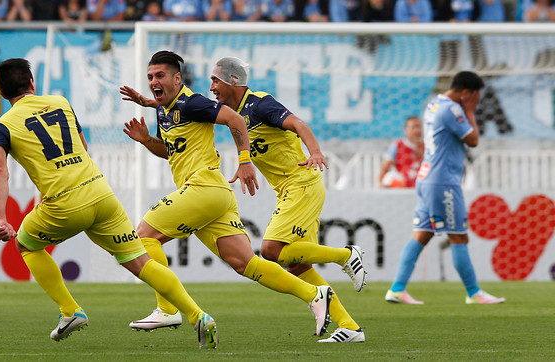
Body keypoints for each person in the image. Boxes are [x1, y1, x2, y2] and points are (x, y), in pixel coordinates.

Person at [0, 58, 219, 349]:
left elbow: (0, 171)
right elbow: (82, 147)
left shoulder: (1, 126)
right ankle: (198, 315)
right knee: (139, 262)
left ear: (1, 93)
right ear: (32, 83)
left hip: (63, 204)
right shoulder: (60, 102)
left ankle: (70, 311)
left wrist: (0, 218)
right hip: (101, 194)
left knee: (26, 244)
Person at [119, 50, 334, 339]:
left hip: (203, 188)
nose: (153, 81)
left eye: (160, 75)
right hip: (213, 197)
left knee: (144, 237)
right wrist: (146, 140)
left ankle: (168, 309)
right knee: (245, 264)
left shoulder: (192, 102)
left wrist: (245, 160)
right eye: (150, 77)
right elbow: (170, 152)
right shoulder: (163, 109)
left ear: (177, 78)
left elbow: (237, 120)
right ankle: (314, 295)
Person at [207, 57, 366, 343]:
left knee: (269, 250)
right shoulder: (233, 115)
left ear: (232, 81)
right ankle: (350, 327)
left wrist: (315, 151)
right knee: (298, 266)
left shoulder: (260, 103)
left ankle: (346, 256)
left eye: (215, 80)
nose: (211, 87)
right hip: (290, 189)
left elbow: (298, 123)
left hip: (302, 183)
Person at [385, 71, 505, 305]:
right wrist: (470, 111)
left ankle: (397, 289)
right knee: (459, 236)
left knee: (422, 234)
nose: (476, 103)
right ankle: (474, 293)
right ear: (466, 93)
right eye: (475, 98)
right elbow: (473, 140)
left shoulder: (434, 104)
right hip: (443, 182)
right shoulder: (453, 109)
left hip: (427, 178)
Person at [378, 115, 423, 188]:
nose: (417, 131)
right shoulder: (398, 146)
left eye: (419, 127)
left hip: (422, 188)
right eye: (414, 127)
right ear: (406, 130)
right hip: (404, 188)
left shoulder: (427, 147)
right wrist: (381, 184)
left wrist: (420, 152)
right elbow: (385, 168)